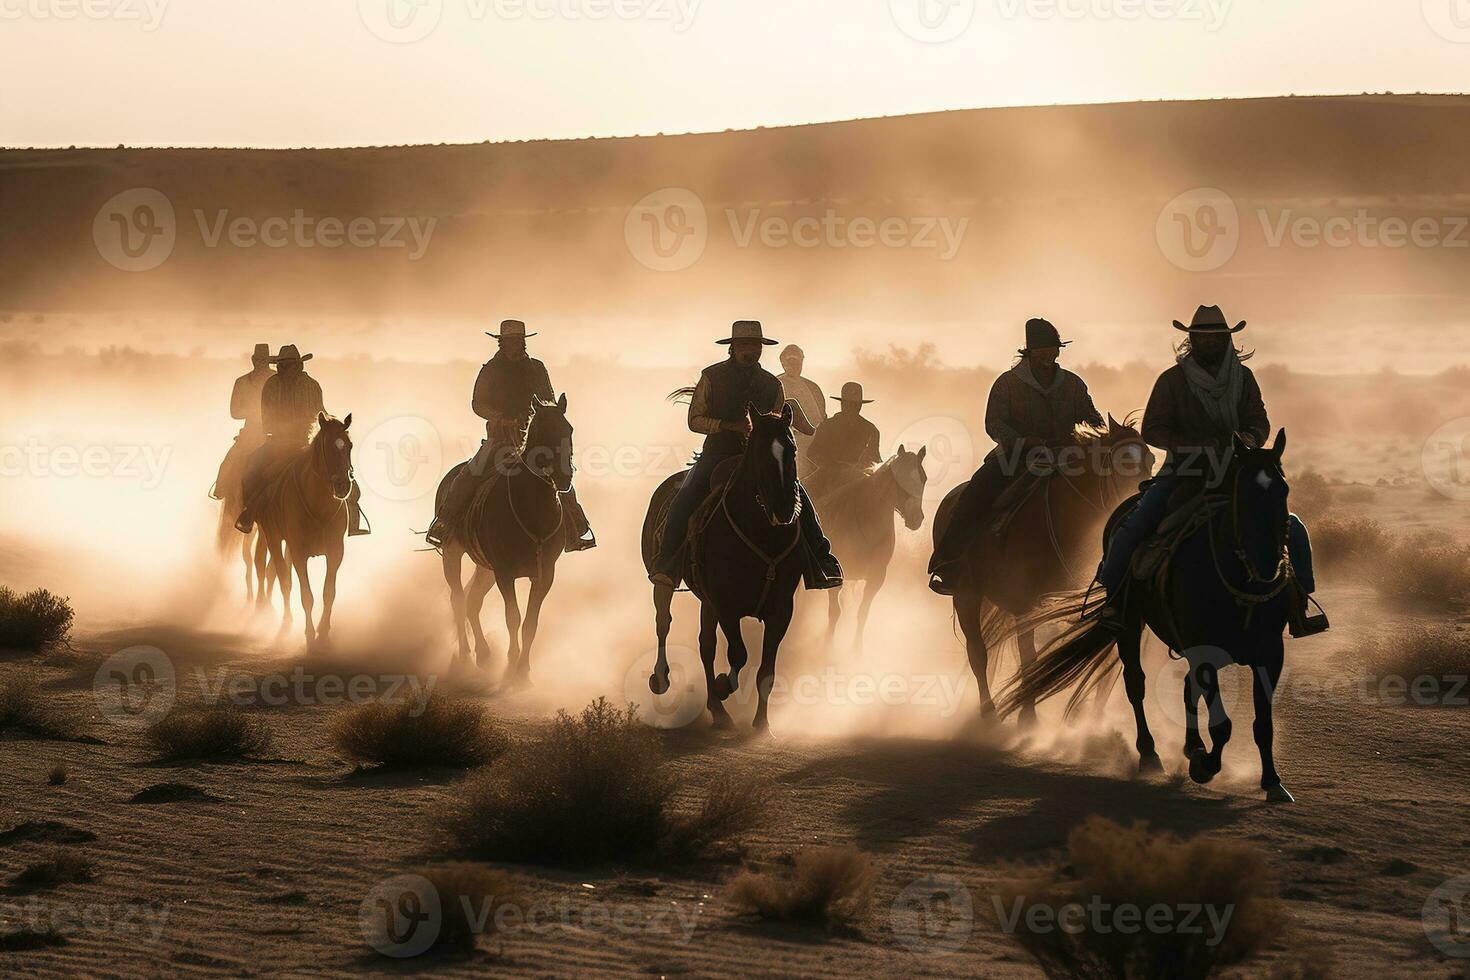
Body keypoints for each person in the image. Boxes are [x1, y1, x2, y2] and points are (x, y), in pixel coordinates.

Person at [1094, 305, 1324, 636]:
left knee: (1290, 524)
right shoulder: (1172, 381)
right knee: (1134, 525)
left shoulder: (1243, 378)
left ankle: (1299, 604)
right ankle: (1113, 601)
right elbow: (1153, 430)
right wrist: (1196, 445)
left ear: (1228, 340)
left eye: (1218, 337)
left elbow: (1259, 420)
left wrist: (1249, 437)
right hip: (1183, 470)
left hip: (1237, 467)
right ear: (1192, 340)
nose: (1212, 342)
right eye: (1204, 337)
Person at [649, 320, 842, 590]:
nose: (751, 351)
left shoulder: (771, 384)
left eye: (755, 346)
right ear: (733, 348)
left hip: (759, 457)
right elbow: (695, 420)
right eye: (745, 345)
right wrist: (727, 426)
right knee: (686, 495)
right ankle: (667, 564)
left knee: (797, 496)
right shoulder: (711, 377)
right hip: (717, 453)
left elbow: (776, 422)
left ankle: (822, 562)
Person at [928, 317, 1104, 595]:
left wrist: (1094, 432)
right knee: (975, 494)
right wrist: (1023, 442)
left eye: (1053, 350)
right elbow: (994, 423)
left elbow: (1091, 417)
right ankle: (949, 562)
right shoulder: (1007, 384)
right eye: (1042, 351)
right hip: (1015, 457)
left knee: (1105, 494)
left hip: (1067, 455)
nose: (1048, 355)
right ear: (1029, 352)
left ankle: (1106, 565)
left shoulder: (1073, 384)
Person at [425, 319, 595, 551]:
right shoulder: (491, 370)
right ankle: (443, 523)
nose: (515, 345)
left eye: (518, 341)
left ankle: (575, 529)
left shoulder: (537, 368)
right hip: (501, 438)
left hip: (537, 439)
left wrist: (546, 416)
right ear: (501, 343)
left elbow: (549, 398)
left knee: (561, 477)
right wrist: (498, 417)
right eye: (511, 341)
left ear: (523, 342)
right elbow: (478, 404)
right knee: (470, 474)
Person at [235, 344, 369, 536]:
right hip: (278, 443)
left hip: (304, 443)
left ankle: (353, 520)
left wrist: (332, 426)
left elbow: (320, 411)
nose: (289, 369)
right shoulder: (272, 385)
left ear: (299, 365)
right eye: (285, 365)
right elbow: (268, 419)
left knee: (343, 471)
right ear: (280, 366)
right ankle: (249, 515)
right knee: (251, 469)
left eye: (292, 365)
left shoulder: (310, 386)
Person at [212, 343, 273, 500]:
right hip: (251, 433)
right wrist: (256, 413)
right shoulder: (242, 382)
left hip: (275, 431)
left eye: (263, 360)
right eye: (258, 360)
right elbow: (235, 412)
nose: (260, 363)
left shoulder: (277, 381)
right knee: (230, 462)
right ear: (253, 360)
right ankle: (222, 487)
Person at [803, 381, 882, 501]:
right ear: (842, 404)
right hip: (828, 478)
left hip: (860, 479)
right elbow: (812, 453)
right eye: (849, 403)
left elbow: (875, 458)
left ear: (860, 406)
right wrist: (833, 468)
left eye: (855, 404)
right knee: (803, 499)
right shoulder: (827, 426)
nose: (852, 407)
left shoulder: (871, 430)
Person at [776, 344, 826, 473]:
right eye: (791, 360)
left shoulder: (813, 388)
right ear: (782, 362)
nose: (795, 365)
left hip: (816, 445)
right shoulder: (774, 385)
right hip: (787, 444)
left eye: (798, 361)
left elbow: (823, 417)